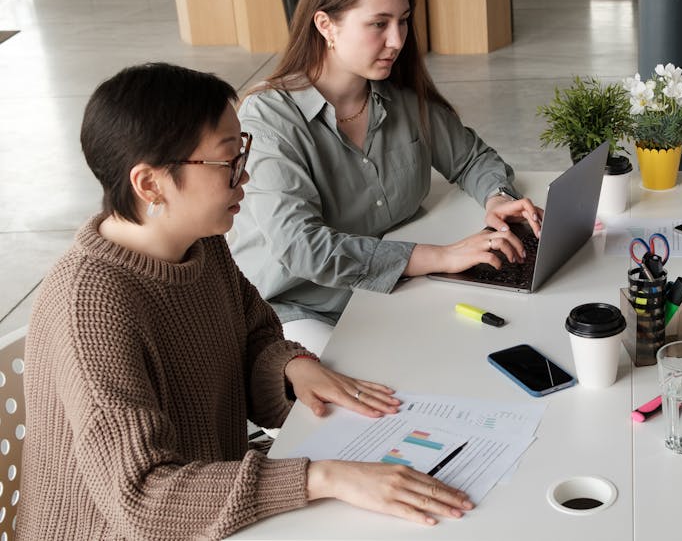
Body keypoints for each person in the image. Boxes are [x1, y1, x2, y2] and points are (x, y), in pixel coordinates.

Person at [20, 63, 474, 540]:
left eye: (243, 152)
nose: (246, 173)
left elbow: (253, 338)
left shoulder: (200, 243)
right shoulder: (89, 308)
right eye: (227, 161)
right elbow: (144, 498)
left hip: (212, 507)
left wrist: (291, 369)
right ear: (150, 184)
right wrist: (323, 478)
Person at [231, 0, 542, 353]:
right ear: (326, 25)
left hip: (393, 289)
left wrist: (496, 196)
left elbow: (471, 158)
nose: (396, 41)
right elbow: (303, 248)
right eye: (378, 24)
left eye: (403, 21)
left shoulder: (400, 97)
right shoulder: (269, 117)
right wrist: (441, 257)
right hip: (299, 308)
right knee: (364, 384)